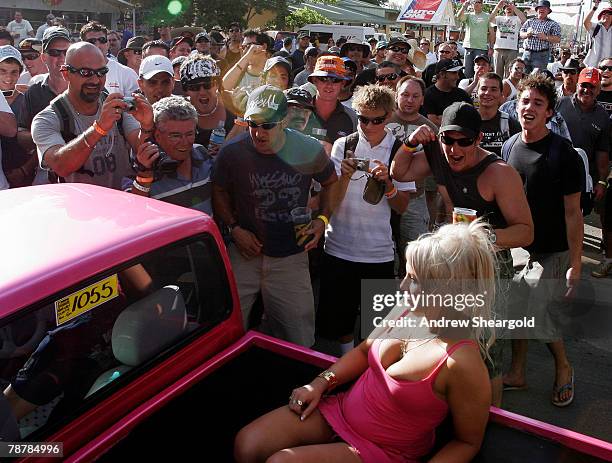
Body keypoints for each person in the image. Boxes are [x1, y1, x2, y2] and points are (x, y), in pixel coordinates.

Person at [235, 220, 497, 463]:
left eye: (414, 280)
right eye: (404, 274)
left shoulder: (462, 362)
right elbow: (363, 352)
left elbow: (467, 442)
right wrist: (318, 384)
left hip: (384, 451)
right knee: (246, 444)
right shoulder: (408, 308)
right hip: (340, 412)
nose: (402, 287)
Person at [391, 101, 533, 406]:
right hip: (452, 264)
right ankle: (456, 410)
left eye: (464, 142)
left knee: (486, 351)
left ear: (478, 139)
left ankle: (492, 423)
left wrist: (479, 237)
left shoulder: (499, 173)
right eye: (448, 140)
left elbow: (526, 231)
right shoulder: (438, 155)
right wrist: (411, 141)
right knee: (451, 339)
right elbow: (399, 171)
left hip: (489, 266)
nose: (455, 149)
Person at [211, 85, 337, 347]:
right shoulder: (232, 151)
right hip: (245, 253)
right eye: (252, 124)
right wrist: (233, 228)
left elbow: (331, 182)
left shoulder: (308, 148)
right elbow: (219, 189)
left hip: (291, 256)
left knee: (299, 336)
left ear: (283, 121)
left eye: (267, 125)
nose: (258, 132)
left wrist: (322, 220)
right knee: (225, 332)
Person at [502, 73, 582, 408]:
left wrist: (575, 265)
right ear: (516, 105)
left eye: (538, 103)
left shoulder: (564, 154)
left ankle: (564, 367)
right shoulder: (509, 147)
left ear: (549, 111)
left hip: (553, 249)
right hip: (520, 247)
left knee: (537, 312)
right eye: (525, 101)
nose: (529, 108)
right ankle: (517, 372)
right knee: (518, 307)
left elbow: (574, 214)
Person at [315, 85, 412, 353]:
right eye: (362, 118)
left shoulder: (399, 151)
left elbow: (402, 207)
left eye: (376, 120)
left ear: (389, 116)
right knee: (340, 323)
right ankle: (347, 365)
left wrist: (389, 185)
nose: (368, 125)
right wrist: (344, 176)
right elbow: (331, 202)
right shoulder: (343, 145)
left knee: (376, 326)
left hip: (377, 253)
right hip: (338, 248)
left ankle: (368, 376)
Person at [31, 42, 153, 190]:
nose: (95, 80)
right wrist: (99, 129)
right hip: (79, 207)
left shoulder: (116, 105)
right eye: (85, 73)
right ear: (66, 73)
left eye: (101, 72)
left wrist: (146, 125)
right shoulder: (48, 119)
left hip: (122, 204)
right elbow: (60, 166)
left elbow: (140, 147)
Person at [125, 96, 214, 213]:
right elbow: (133, 213)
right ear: (157, 136)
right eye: (175, 136)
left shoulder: (201, 154)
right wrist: (144, 176)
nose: (184, 142)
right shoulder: (142, 168)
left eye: (189, 134)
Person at [16, 26, 71, 186]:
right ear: (44, 57)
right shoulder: (34, 92)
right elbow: (20, 133)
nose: (61, 58)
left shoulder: (88, 87)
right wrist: (47, 137)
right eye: (55, 53)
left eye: (66, 52)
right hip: (46, 172)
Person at [386, 76, 439, 238]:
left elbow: (433, 172)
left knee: (416, 249)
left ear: (422, 100)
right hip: (382, 196)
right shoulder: (381, 120)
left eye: (415, 96)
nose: (410, 100)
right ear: (396, 96)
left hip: (415, 199)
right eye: (405, 94)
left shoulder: (430, 129)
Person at [557, 67, 610, 222]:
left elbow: (602, 151)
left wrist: (601, 181)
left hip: (582, 177)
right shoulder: (559, 105)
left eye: (592, 86)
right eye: (584, 85)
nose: (587, 90)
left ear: (599, 90)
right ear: (577, 85)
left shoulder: (603, 117)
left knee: (577, 215)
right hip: (555, 170)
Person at [181, 54, 236, 152]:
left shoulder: (233, 103)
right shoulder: (179, 111)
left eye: (208, 85)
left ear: (217, 84)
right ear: (186, 90)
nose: (202, 92)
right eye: (194, 87)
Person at [304, 55, 357, 152]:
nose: (329, 85)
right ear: (315, 81)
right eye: (324, 79)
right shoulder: (299, 112)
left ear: (343, 84)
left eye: (335, 80)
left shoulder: (352, 118)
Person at [0, 45, 34, 188]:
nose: (9, 77)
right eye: (2, 71)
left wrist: (24, 170)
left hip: (22, 178)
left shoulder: (29, 100)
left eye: (14, 72)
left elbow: (42, 140)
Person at [80, 22, 139, 97]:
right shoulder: (74, 72)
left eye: (102, 40)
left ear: (107, 44)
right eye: (92, 41)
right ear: (82, 45)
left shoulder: (126, 73)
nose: (98, 45)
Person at [478, 72, 521, 156]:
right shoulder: (467, 121)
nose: (487, 93)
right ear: (477, 93)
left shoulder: (510, 124)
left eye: (493, 89)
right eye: (483, 88)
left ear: (501, 95)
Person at [424, 59, 473, 126]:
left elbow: (472, 118)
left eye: (458, 73)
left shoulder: (462, 95)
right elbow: (433, 121)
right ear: (442, 74)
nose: (457, 77)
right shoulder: (428, 95)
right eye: (454, 73)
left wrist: (444, 118)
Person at [519, 0, 561, 73]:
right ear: (537, 10)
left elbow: (558, 39)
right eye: (540, 8)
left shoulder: (553, 24)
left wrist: (546, 37)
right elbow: (521, 34)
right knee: (523, 75)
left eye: (544, 8)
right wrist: (527, 34)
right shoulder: (529, 21)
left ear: (548, 11)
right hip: (527, 53)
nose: (542, 9)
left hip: (541, 55)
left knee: (537, 78)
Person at [489, 0, 527, 78]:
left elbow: (524, 20)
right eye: (506, 7)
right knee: (497, 74)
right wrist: (497, 7)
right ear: (504, 9)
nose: (508, 8)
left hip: (512, 49)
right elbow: (489, 19)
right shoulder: (499, 18)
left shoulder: (517, 18)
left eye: (510, 7)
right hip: (498, 49)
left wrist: (514, 8)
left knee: (509, 74)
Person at [457, 0, 492, 79]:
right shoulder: (468, 15)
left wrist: (491, 47)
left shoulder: (487, 16)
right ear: (472, 4)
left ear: (482, 4)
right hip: (469, 47)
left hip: (481, 48)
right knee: (467, 72)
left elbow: (491, 33)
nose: (476, 4)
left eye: (479, 2)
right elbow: (458, 17)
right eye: (475, 2)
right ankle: (467, 90)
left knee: (481, 71)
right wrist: (464, 6)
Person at [583, 1, 612, 68]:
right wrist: (595, 7)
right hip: (594, 66)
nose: (606, 15)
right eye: (604, 13)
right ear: (600, 17)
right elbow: (586, 22)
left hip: (609, 68)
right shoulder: (597, 27)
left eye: (610, 13)